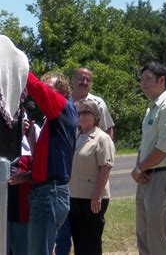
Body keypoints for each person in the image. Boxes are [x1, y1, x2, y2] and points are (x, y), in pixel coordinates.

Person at [131, 62, 166, 255]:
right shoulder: (151, 109)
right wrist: (140, 168)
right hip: (147, 178)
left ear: (161, 80)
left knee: (159, 241)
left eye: (147, 78)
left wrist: (139, 169)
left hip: (164, 177)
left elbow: (164, 147)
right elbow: (145, 145)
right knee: (144, 238)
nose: (143, 82)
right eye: (142, 78)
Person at [25, 71, 77, 255]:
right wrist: (31, 137)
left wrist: (20, 66)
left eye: (49, 88)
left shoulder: (64, 108)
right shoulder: (52, 122)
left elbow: (36, 88)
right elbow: (42, 159)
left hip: (50, 193)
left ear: (61, 92)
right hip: (45, 192)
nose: (44, 91)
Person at [68, 100, 115, 255]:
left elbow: (105, 168)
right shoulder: (78, 136)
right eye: (79, 113)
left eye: (86, 112)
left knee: (91, 243)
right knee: (79, 242)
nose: (82, 116)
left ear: (95, 115)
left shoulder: (102, 138)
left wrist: (97, 197)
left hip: (92, 199)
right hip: (75, 196)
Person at [72, 67, 115, 139]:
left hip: (90, 147)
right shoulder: (64, 101)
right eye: (81, 78)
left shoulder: (98, 103)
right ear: (73, 79)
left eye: (88, 80)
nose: (84, 82)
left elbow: (108, 129)